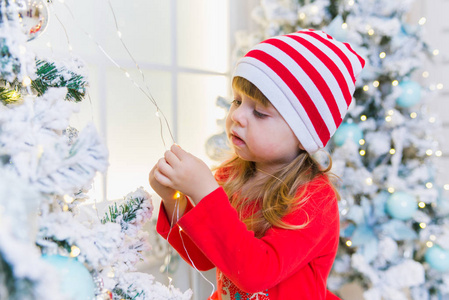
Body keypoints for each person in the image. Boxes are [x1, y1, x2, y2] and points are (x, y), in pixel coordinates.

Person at [149, 29, 365, 300]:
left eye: (260, 113)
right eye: (237, 101)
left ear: (304, 136)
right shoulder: (233, 175)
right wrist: (174, 199)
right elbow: (205, 258)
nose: (237, 115)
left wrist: (204, 192)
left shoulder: (314, 200)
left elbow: (254, 273)